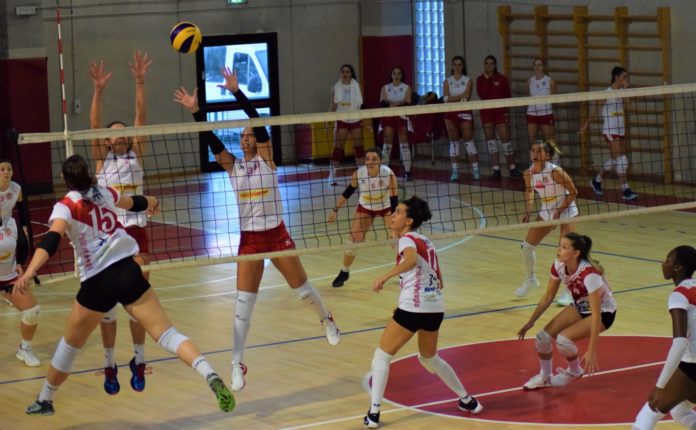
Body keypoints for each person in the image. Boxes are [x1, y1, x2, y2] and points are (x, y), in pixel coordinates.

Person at [19, 155, 234, 416]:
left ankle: (45, 399)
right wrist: (154, 201)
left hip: (97, 282)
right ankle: (208, 372)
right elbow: (135, 203)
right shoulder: (105, 193)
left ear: (65, 179)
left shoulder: (64, 206)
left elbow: (51, 241)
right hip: (129, 271)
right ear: (89, 174)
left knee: (69, 347)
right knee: (167, 334)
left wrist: (29, 272)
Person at [173, 68, 341, 393]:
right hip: (250, 241)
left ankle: (327, 319)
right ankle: (237, 363)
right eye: (244, 135)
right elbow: (212, 140)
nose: (247, 137)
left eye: (251, 134)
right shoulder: (232, 166)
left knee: (303, 290)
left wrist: (237, 93)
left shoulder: (267, 159)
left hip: (276, 235)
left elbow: (260, 124)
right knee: (242, 307)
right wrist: (196, 112)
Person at [363, 196, 482, 428]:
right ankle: (468, 400)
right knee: (429, 358)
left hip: (415, 307)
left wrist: (385, 277)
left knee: (382, 356)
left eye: (398, 212)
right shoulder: (425, 240)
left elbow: (409, 261)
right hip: (434, 308)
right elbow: (439, 280)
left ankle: (374, 413)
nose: (393, 214)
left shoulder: (407, 240)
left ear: (408, 221)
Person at [89, 51, 151, 395]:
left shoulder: (135, 154)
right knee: (107, 306)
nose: (120, 135)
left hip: (136, 232)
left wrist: (139, 82)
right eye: (114, 134)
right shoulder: (101, 160)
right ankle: (110, 362)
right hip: (107, 238)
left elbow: (141, 118)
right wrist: (98, 91)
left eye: (124, 132)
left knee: (139, 293)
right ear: (108, 141)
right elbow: (95, 126)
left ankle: (139, 359)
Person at [517, 233, 617, 390]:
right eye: (559, 245)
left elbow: (596, 315)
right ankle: (545, 377)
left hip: (604, 313)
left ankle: (575, 371)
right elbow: (548, 296)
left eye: (564, 247)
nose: (559, 250)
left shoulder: (589, 274)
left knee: (563, 340)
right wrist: (531, 321)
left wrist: (592, 350)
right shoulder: (558, 265)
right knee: (542, 338)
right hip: (581, 307)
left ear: (576, 253)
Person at [632, 246, 696, 430]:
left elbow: (680, 342)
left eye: (668, 261)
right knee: (680, 411)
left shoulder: (680, 295)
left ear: (678, 268)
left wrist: (660, 386)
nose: (663, 264)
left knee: (649, 412)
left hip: (693, 363)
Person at [516, 140, 577, 307]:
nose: (535, 153)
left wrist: (559, 211)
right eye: (533, 150)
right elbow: (529, 190)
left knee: (565, 251)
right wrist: (529, 210)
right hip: (547, 209)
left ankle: (569, 290)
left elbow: (573, 192)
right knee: (526, 247)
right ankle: (531, 279)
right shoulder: (528, 173)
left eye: (539, 151)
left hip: (566, 209)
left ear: (547, 155)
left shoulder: (555, 172)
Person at [327, 148, 398, 288]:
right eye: (368, 159)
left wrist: (395, 223)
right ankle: (344, 271)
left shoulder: (388, 174)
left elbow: (394, 198)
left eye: (374, 159)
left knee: (397, 237)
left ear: (380, 161)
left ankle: (404, 270)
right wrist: (334, 210)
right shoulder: (359, 174)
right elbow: (347, 193)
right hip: (366, 207)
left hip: (386, 206)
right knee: (354, 239)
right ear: (364, 161)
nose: (370, 162)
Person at [0, 160, 41, 367]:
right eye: (2, 169)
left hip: (7, 274)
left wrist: (20, 264)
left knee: (32, 310)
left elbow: (21, 242)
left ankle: (25, 349)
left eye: (8, 169)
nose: (6, 172)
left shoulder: (10, 223)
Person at [581, 66, 638, 201]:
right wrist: (585, 125)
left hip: (620, 130)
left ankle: (597, 180)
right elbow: (595, 110)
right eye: (624, 77)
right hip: (610, 131)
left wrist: (626, 91)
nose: (625, 79)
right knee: (622, 160)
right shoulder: (606, 93)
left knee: (614, 160)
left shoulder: (622, 92)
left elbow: (629, 108)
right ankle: (625, 190)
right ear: (616, 77)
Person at [476, 55, 521, 179]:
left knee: (506, 141)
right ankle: (496, 170)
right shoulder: (480, 79)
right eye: (487, 63)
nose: (489, 66)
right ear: (484, 65)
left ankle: (512, 167)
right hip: (486, 114)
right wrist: (488, 80)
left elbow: (508, 96)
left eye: (491, 63)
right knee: (491, 142)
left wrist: (506, 112)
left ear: (495, 65)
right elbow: (482, 94)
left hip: (500, 113)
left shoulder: (502, 79)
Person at [442, 56, 480, 181]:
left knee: (469, 141)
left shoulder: (468, 80)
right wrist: (460, 96)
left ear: (463, 66)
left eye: (460, 64)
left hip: (464, 111)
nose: (457, 67)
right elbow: (445, 99)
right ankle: (455, 171)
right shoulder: (448, 81)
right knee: (453, 142)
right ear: (452, 66)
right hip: (450, 113)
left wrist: (454, 98)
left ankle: (476, 169)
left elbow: (467, 97)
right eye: (455, 64)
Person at [327, 64, 365, 186]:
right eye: (343, 71)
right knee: (338, 148)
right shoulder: (335, 88)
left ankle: (361, 176)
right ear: (340, 73)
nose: (345, 74)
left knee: (358, 147)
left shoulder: (356, 86)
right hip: (341, 119)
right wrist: (327, 121)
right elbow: (333, 106)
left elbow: (361, 105)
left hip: (355, 118)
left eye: (347, 71)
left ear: (351, 73)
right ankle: (331, 176)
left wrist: (365, 120)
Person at [379, 66, 413, 181]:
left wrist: (394, 104)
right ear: (391, 75)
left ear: (402, 76)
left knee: (404, 144)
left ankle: (408, 171)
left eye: (399, 73)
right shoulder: (385, 88)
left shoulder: (406, 88)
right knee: (387, 144)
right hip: (388, 117)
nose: (397, 75)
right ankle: (384, 171)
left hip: (401, 117)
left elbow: (408, 103)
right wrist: (394, 104)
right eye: (394, 73)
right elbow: (382, 103)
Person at [526, 58, 558, 162]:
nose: (537, 67)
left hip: (545, 113)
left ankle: (555, 163)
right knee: (532, 140)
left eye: (539, 65)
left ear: (543, 67)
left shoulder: (550, 81)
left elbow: (555, 97)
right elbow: (529, 96)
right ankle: (534, 164)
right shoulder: (529, 81)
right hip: (532, 113)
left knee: (549, 140)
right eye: (535, 65)